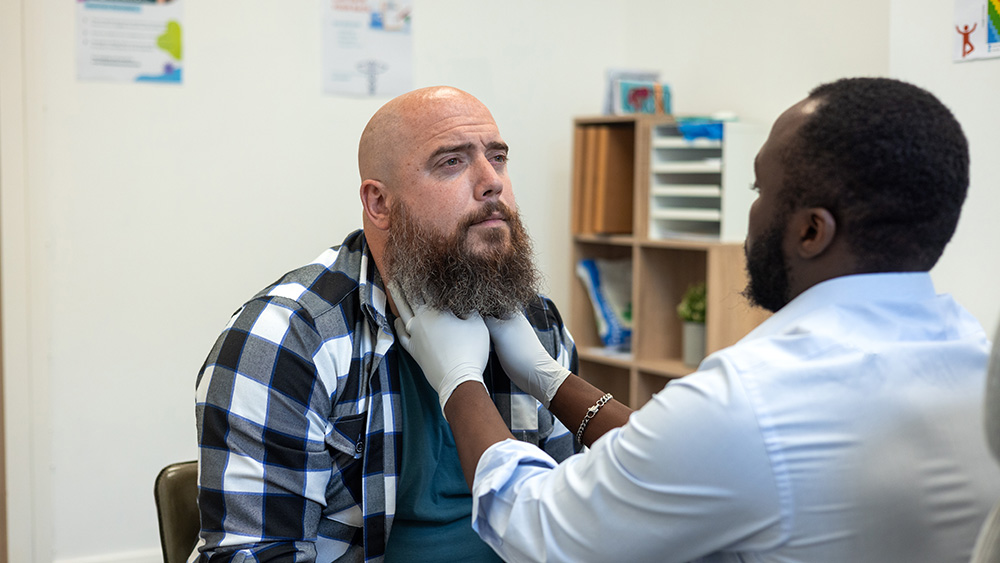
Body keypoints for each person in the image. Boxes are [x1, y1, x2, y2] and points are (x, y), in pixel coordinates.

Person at [394, 77, 1000, 562]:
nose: (491, 181)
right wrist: (552, 380)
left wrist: (461, 385)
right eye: (453, 161)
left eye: (759, 193)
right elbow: (670, 462)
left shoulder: (753, 399)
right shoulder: (976, 359)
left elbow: (538, 530)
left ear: (812, 231)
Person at [193, 86, 579, 562]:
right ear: (379, 204)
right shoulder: (286, 341)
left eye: (497, 158)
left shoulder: (536, 322)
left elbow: (582, 522)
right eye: (452, 162)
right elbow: (256, 555)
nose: (491, 182)